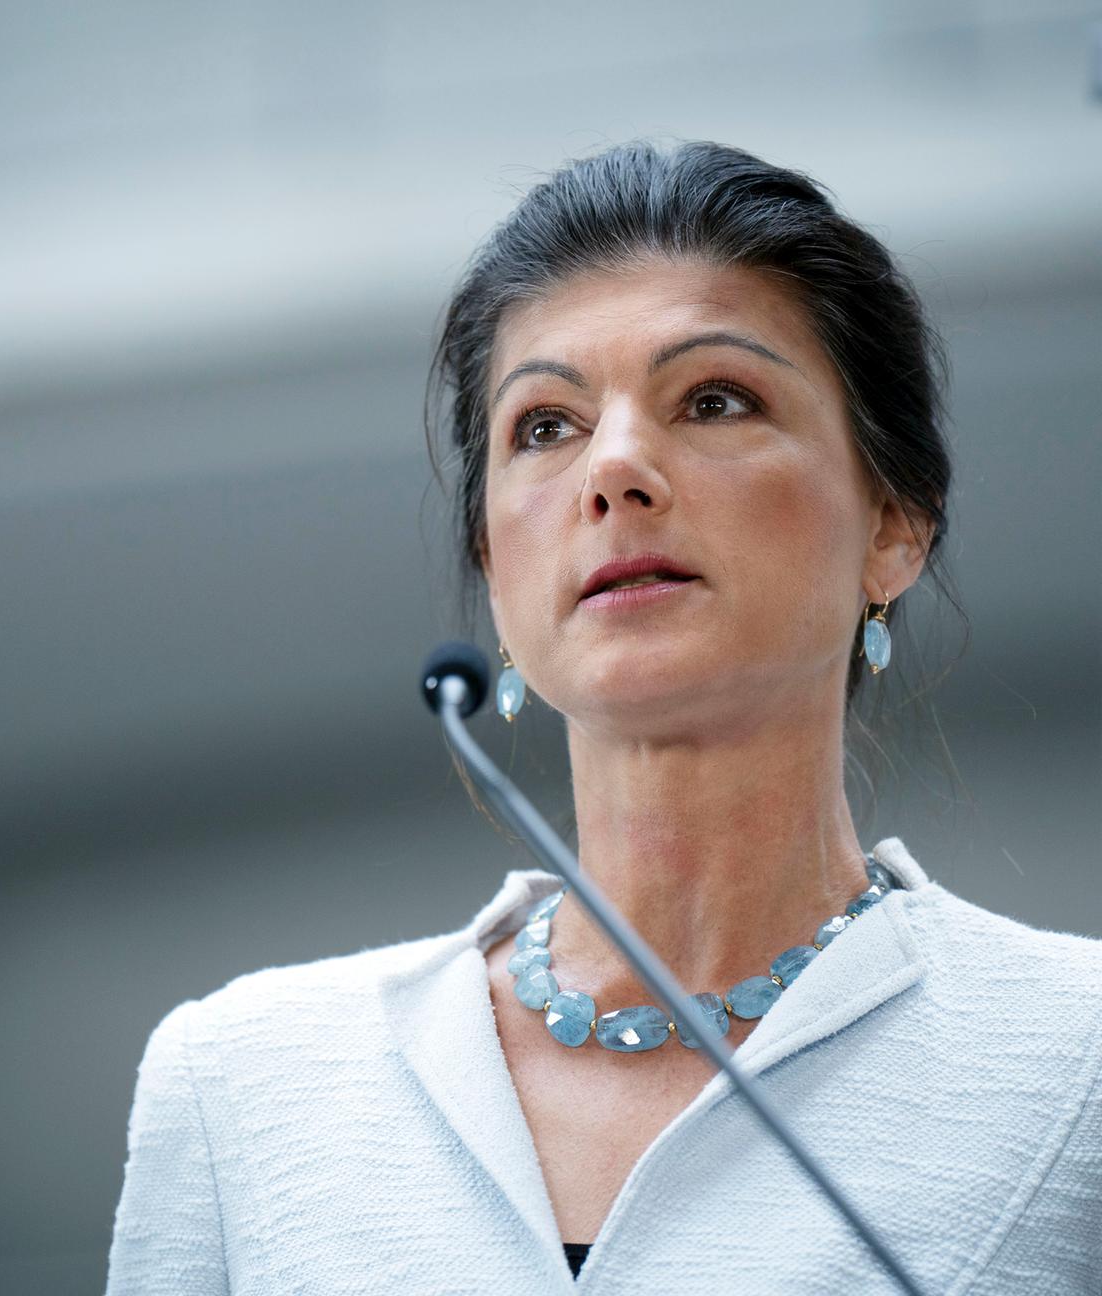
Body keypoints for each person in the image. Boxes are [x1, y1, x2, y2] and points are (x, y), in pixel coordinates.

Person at [105, 141, 1102, 1295]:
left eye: (715, 400)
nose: (616, 467)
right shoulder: (243, 1085)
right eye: (545, 425)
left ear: (892, 525)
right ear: (491, 563)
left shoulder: (1075, 1058)